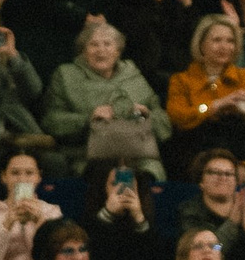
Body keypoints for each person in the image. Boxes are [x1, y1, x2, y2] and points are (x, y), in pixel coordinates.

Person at [40, 19, 169, 178]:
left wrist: (148, 115)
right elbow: (50, 121)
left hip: (136, 155)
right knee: (100, 175)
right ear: (83, 51)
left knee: (151, 173)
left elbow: (164, 122)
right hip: (87, 156)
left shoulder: (134, 76)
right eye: (94, 45)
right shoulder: (66, 75)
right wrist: (88, 119)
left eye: (107, 44)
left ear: (118, 51)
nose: (101, 50)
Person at [165, 14, 245, 179]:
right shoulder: (182, 80)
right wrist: (213, 106)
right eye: (217, 40)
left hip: (243, 155)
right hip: (198, 155)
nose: (224, 46)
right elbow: (177, 115)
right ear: (201, 45)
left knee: (237, 175)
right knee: (213, 174)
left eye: (230, 41)